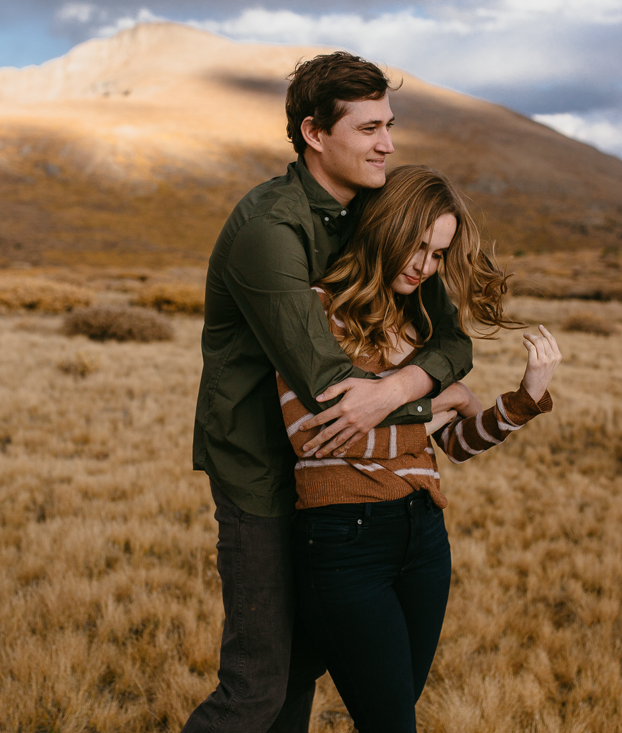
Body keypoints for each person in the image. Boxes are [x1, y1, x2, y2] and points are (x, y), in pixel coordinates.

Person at [186, 53, 474, 732]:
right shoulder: (270, 228)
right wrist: (441, 401)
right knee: (258, 684)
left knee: (301, 670)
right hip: (262, 472)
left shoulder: (375, 214)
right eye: (370, 128)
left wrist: (405, 381)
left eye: (390, 125)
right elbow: (332, 389)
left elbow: (452, 342)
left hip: (338, 483)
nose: (388, 144)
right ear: (315, 134)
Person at [277, 165, 562, 732]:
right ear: (384, 226)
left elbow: (454, 445)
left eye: (436, 254)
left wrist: (524, 399)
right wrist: (444, 398)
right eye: (416, 245)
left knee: (395, 712)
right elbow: (312, 436)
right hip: (344, 541)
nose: (422, 265)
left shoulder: (422, 320)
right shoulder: (316, 308)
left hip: (424, 540)